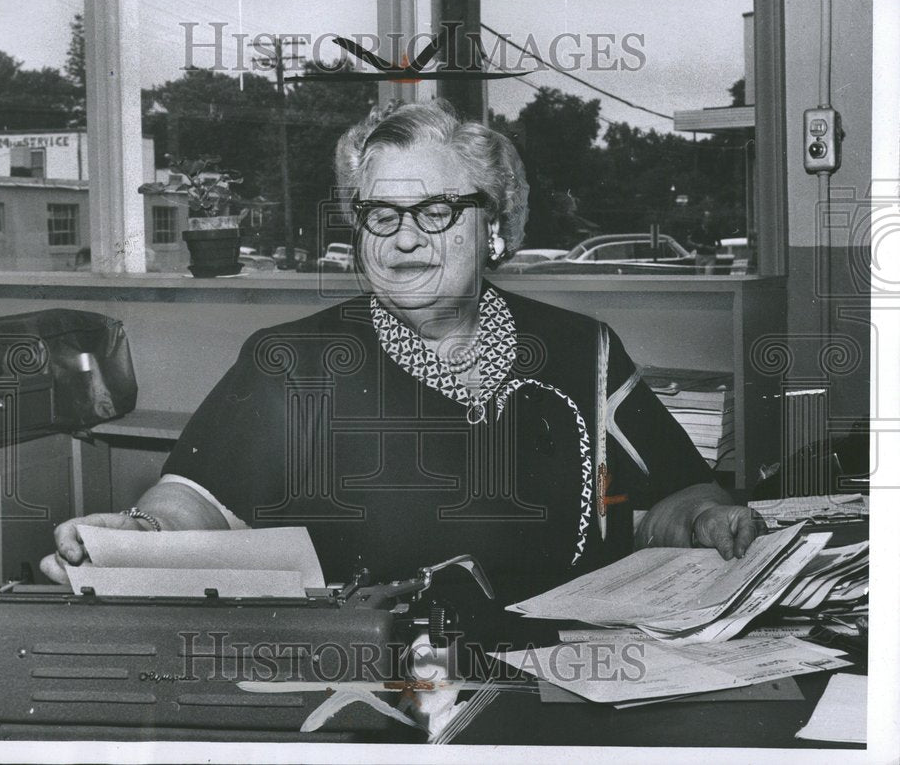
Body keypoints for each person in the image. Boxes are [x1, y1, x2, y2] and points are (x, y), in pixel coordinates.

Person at [42, 99, 762, 618]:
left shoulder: (583, 350)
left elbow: (678, 498)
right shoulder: (294, 363)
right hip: (374, 684)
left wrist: (708, 520)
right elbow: (195, 500)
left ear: (495, 228)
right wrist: (138, 536)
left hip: (577, 674)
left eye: (435, 211)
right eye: (381, 214)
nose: (404, 238)